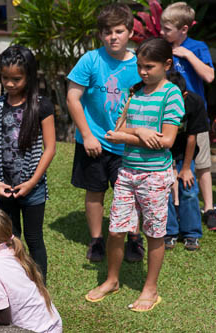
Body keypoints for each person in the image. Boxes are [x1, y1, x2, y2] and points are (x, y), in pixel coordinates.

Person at [85, 38, 185, 312]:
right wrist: (140, 131)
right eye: (139, 66)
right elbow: (115, 132)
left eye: (148, 67)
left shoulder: (171, 95)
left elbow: (166, 141)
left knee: (154, 233)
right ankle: (112, 280)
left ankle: (150, 289)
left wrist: (128, 133)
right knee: (116, 230)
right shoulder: (133, 93)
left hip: (155, 176)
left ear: (166, 64)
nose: (142, 72)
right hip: (127, 172)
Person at [66, 3, 142, 262]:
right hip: (94, 140)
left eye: (119, 31)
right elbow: (73, 98)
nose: (113, 37)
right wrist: (87, 135)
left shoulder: (140, 65)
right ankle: (97, 240)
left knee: (130, 193)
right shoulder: (91, 60)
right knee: (95, 191)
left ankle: (134, 238)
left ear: (130, 32)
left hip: (128, 143)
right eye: (107, 32)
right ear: (100, 35)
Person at [0, 45, 56, 282]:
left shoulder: (41, 105)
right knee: (9, 237)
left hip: (33, 189)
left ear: (29, 76)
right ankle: (15, 281)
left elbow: (50, 148)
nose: (10, 84)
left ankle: (40, 285)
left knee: (34, 239)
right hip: (4, 186)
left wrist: (32, 182)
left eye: (16, 79)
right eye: (5, 78)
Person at [160, 2, 216, 230]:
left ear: (183, 29)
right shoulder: (162, 48)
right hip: (169, 116)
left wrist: (187, 55)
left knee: (201, 165)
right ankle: (174, 206)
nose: (162, 33)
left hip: (195, 115)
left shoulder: (198, 47)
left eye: (167, 29)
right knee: (172, 162)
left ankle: (209, 208)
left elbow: (209, 76)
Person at [165, 71, 209, 250]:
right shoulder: (157, 100)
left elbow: (192, 137)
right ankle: (168, 231)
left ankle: (191, 233)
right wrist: (168, 166)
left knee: (188, 188)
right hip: (161, 151)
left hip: (185, 150)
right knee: (164, 189)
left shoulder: (194, 102)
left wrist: (185, 168)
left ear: (183, 95)